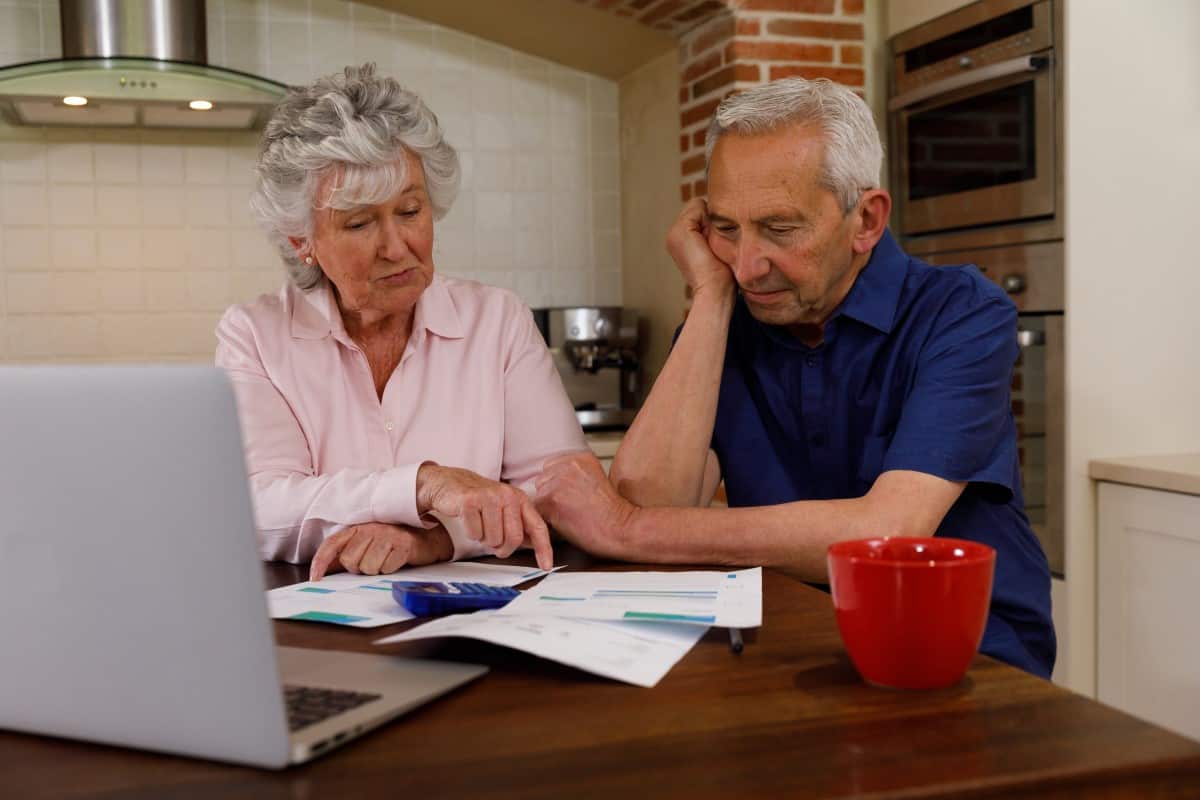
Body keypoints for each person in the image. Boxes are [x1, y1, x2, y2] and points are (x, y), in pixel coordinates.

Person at [535, 78, 1056, 678]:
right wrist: (708, 296)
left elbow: (883, 533)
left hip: (970, 661)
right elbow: (653, 500)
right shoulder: (724, 321)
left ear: (866, 220)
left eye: (780, 230)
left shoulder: (962, 314)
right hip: (793, 651)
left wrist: (627, 529)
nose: (748, 266)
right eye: (726, 228)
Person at [216, 64, 585, 580]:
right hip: (318, 639)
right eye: (361, 222)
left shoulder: (497, 321)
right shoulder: (255, 335)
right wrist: (423, 486)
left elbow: (564, 492)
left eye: (410, 212)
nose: (396, 247)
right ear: (302, 240)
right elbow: (257, 507)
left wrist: (435, 539)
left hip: (483, 622)